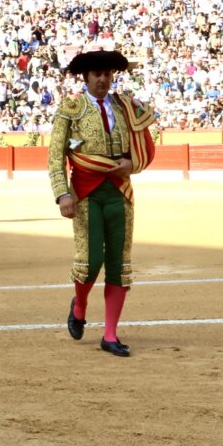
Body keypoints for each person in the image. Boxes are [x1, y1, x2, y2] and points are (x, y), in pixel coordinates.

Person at [48, 50, 156, 358]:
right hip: (85, 191)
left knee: (119, 265)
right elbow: (56, 155)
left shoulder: (125, 107)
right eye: (98, 75)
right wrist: (62, 194)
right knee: (90, 261)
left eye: (108, 74)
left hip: (119, 191)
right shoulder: (71, 108)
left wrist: (131, 165)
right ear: (86, 78)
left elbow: (143, 148)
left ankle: (110, 334)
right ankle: (80, 304)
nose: (103, 80)